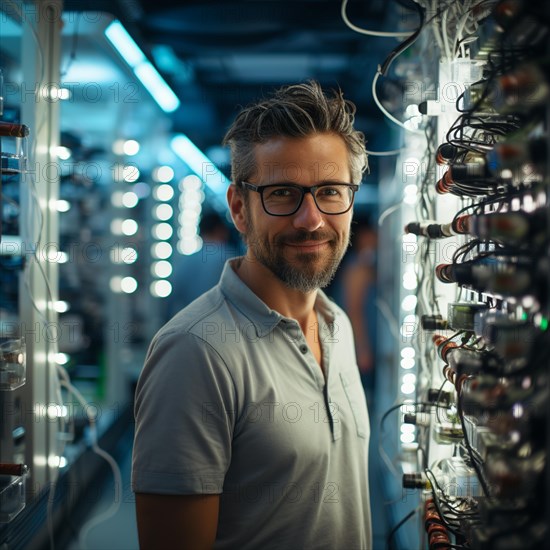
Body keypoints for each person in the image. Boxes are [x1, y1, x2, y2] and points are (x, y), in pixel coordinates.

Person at [132, 80, 372, 549]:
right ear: (240, 208)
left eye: (330, 191)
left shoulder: (336, 324)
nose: (311, 219)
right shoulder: (195, 353)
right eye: (283, 194)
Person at [165, 210, 239, 321]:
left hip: (189, 324)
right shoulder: (231, 257)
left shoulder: (186, 260)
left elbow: (172, 297)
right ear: (221, 230)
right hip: (223, 324)